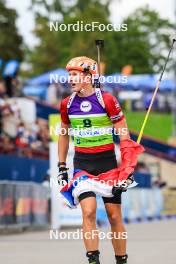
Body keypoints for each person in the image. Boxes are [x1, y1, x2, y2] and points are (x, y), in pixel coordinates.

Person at [58, 56, 143, 264]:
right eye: (69, 75)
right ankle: (93, 260)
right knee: (88, 211)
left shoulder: (107, 100)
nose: (70, 79)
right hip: (82, 164)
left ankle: (121, 259)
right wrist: (62, 166)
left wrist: (127, 169)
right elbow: (63, 134)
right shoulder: (66, 104)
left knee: (114, 216)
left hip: (107, 164)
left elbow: (123, 135)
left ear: (88, 77)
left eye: (75, 75)